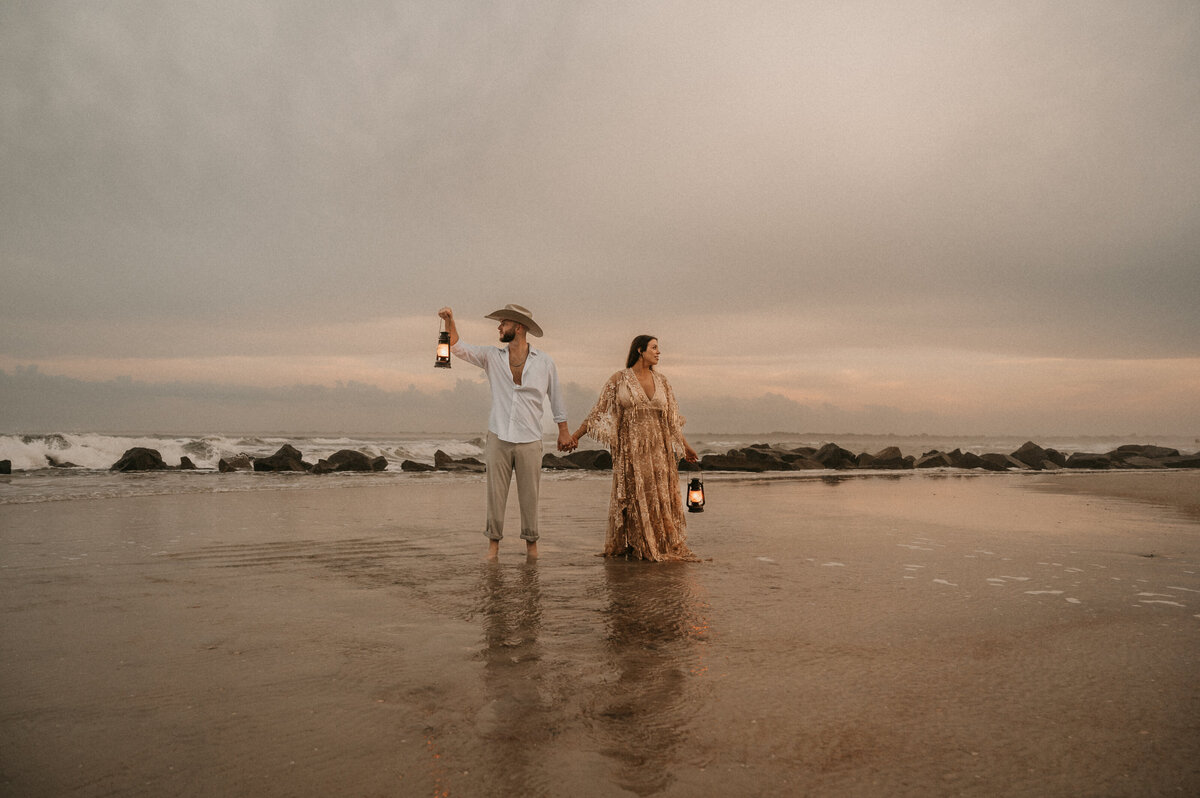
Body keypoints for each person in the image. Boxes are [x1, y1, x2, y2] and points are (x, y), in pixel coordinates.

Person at [438, 304, 574, 560]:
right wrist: (449, 321)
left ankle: (532, 547)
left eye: (503, 323)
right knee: (495, 495)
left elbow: (556, 397)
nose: (499, 327)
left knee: (530, 497)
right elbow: (457, 348)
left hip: (530, 439)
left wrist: (563, 431)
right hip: (498, 436)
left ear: (518, 327)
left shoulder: (545, 362)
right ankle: (493, 548)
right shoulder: (492, 356)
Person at [571, 336, 700, 562]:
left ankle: (659, 545)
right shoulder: (619, 380)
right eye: (654, 348)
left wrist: (686, 447)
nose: (659, 353)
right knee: (635, 498)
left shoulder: (663, 382)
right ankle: (638, 545)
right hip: (631, 452)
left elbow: (670, 420)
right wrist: (574, 437)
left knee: (658, 497)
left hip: (659, 451)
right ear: (640, 350)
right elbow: (598, 412)